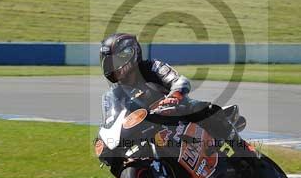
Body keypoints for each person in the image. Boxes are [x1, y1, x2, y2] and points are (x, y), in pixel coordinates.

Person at [99, 32, 236, 139]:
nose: (111, 67)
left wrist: (174, 96)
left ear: (130, 55)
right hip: (148, 129)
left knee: (208, 111)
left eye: (114, 62)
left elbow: (180, 81)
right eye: (108, 62)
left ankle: (246, 151)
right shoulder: (112, 94)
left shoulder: (153, 67)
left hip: (179, 114)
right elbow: (111, 121)